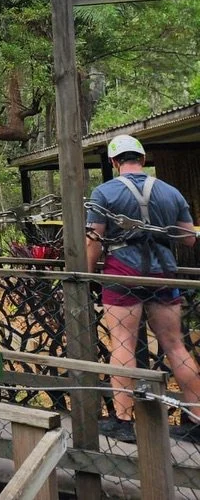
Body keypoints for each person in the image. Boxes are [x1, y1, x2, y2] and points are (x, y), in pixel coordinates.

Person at [86, 134, 200, 443]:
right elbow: (189, 238)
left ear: (113, 162)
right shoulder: (170, 192)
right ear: (143, 159)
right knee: (175, 344)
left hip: (122, 274)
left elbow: (93, 240)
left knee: (122, 341)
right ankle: (197, 417)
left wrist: (85, 274)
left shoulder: (104, 192)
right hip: (163, 273)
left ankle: (124, 421)